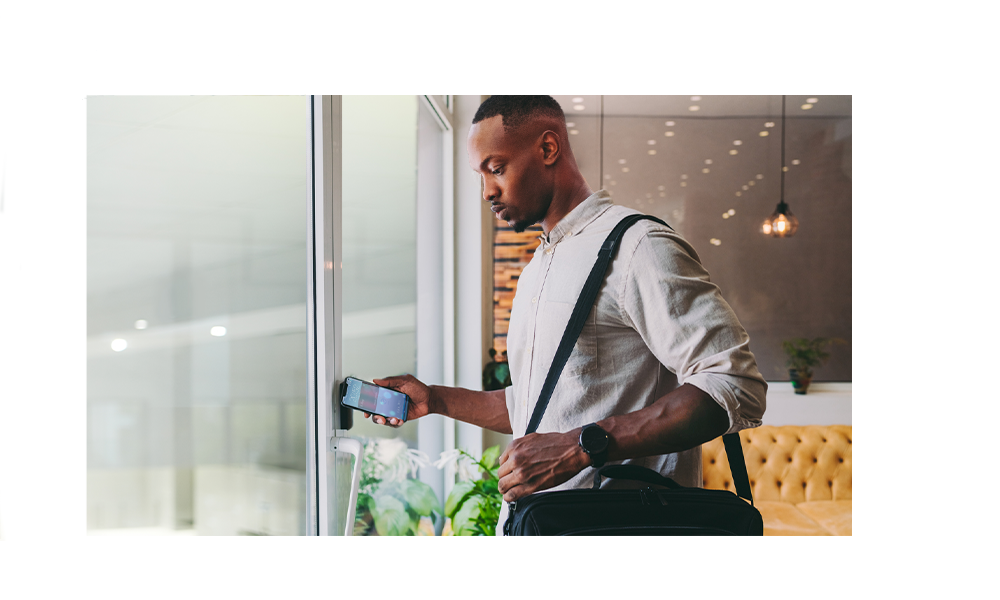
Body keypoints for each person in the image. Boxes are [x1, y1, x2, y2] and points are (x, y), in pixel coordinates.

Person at [365, 95, 766, 535]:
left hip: (617, 531)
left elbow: (734, 383)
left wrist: (581, 446)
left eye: (496, 168)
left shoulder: (639, 247)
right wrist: (435, 400)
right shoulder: (537, 268)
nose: (487, 192)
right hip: (540, 527)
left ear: (548, 148)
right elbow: (539, 406)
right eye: (480, 175)